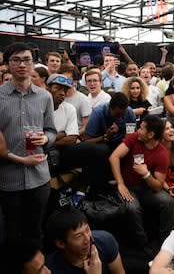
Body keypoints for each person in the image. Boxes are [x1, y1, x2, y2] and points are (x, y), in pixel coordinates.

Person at [0, 42, 56, 244]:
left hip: (39, 177)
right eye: (16, 60)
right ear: (7, 64)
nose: (22, 64)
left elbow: (51, 130)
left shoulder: (45, 97)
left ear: (33, 64)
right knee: (11, 233)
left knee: (34, 231)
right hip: (8, 178)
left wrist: (46, 139)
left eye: (26, 60)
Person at [109, 115, 174, 249]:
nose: (138, 130)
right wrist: (120, 183)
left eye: (142, 128)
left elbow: (157, 186)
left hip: (147, 190)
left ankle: (165, 244)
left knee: (168, 202)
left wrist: (146, 174)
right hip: (129, 187)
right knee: (133, 209)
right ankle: (144, 246)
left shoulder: (161, 154)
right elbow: (114, 157)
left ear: (150, 134)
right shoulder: (134, 138)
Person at [45, 208, 125, 274]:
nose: (88, 239)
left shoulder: (104, 240)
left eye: (87, 230)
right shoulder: (50, 269)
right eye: (79, 236)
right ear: (61, 243)